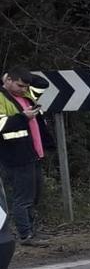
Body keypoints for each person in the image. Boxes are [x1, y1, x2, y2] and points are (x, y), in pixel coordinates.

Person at [0, 67, 53, 245]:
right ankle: (25, 235)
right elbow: (1, 125)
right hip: (15, 155)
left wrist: (21, 75)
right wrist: (23, 117)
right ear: (7, 81)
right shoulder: (1, 97)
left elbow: (43, 83)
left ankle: (32, 232)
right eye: (20, 85)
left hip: (33, 153)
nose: (24, 89)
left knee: (34, 195)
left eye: (25, 85)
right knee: (22, 197)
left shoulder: (26, 94)